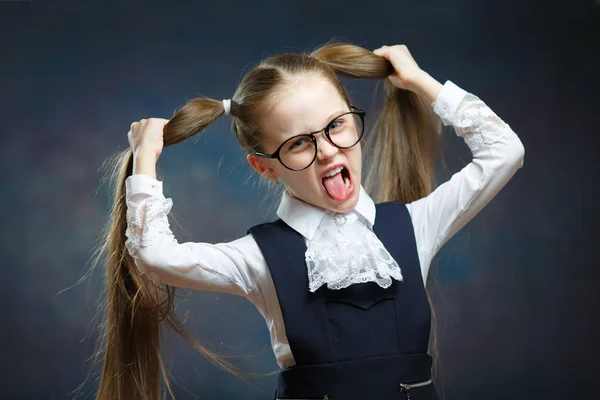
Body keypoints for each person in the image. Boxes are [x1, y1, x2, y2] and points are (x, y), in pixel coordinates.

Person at [93, 42, 525, 399]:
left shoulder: (415, 225)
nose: (329, 151)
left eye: (337, 125)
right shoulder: (258, 258)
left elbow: (504, 152)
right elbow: (154, 256)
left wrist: (419, 82)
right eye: (300, 143)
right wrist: (145, 158)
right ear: (265, 168)